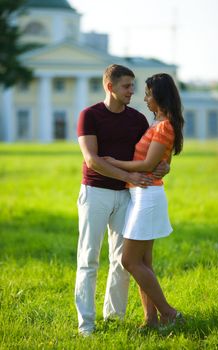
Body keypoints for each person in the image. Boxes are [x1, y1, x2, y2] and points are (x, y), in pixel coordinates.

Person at [75, 64, 170, 336]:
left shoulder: (138, 120)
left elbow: (147, 158)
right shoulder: (89, 116)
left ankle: (113, 319)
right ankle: (87, 325)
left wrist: (164, 167)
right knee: (88, 259)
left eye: (133, 85)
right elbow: (92, 160)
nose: (132, 91)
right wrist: (125, 174)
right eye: (127, 86)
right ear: (110, 87)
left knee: (120, 261)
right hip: (95, 193)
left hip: (128, 195)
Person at [103, 73, 185, 327]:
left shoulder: (164, 126)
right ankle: (150, 319)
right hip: (141, 195)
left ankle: (170, 313)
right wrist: (162, 167)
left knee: (128, 260)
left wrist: (115, 163)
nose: (145, 99)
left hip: (147, 197)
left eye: (148, 94)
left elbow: (150, 163)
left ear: (159, 96)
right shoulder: (157, 124)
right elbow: (162, 163)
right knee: (143, 262)